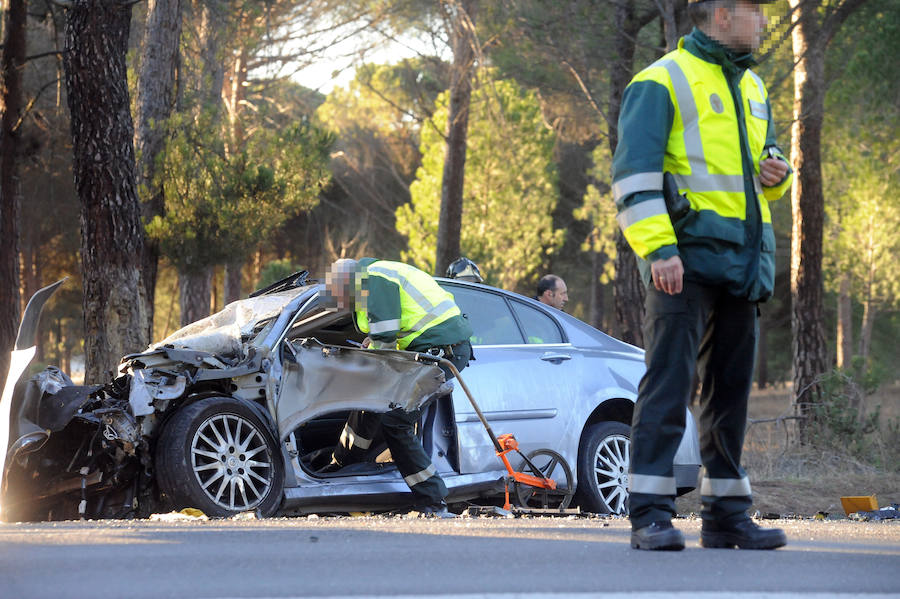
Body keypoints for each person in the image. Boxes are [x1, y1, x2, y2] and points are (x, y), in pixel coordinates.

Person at [611, 0, 792, 551]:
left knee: (730, 392)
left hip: (742, 260)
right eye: (756, 11)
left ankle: (727, 515)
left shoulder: (754, 87)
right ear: (721, 15)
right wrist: (658, 248)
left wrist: (778, 172)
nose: (765, 21)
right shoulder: (660, 80)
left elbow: (767, 165)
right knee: (669, 383)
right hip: (681, 262)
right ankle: (648, 514)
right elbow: (633, 175)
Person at [322, 258, 473, 517]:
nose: (344, 305)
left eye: (343, 298)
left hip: (442, 353)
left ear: (348, 283)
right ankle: (344, 466)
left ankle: (433, 499)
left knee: (396, 420)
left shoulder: (373, 280)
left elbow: (385, 344)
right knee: (370, 403)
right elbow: (395, 331)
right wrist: (375, 343)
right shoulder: (373, 276)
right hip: (428, 350)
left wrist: (372, 353)